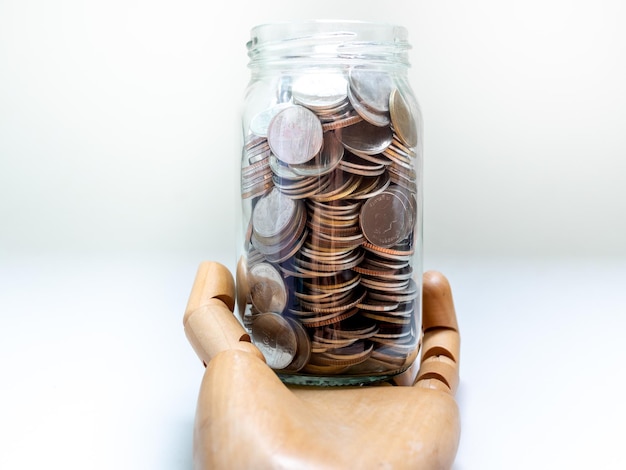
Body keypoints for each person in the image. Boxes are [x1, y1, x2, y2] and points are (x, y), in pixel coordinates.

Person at [183, 261, 461, 469]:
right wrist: (437, 380)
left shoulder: (242, 396)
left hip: (284, 375)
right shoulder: (420, 419)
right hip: (377, 375)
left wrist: (233, 352)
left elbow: (233, 361)